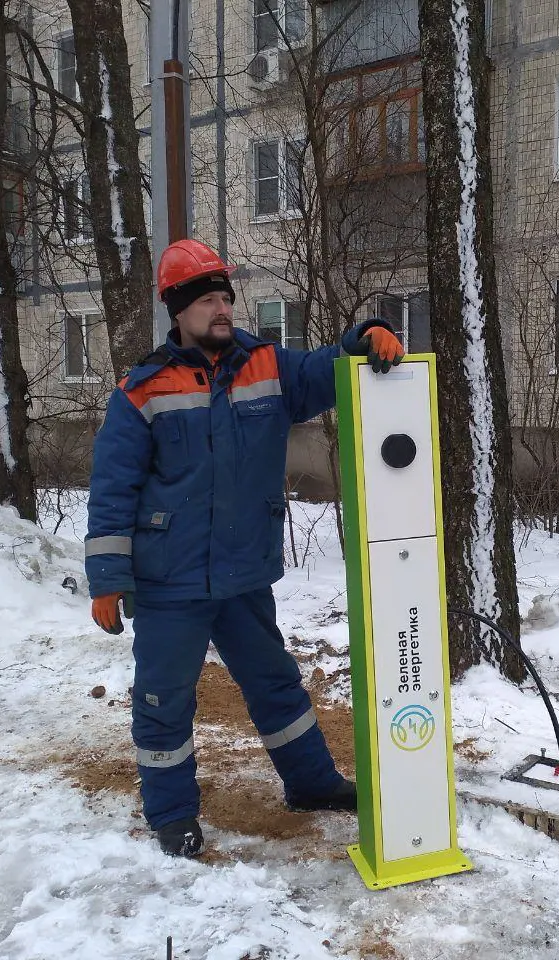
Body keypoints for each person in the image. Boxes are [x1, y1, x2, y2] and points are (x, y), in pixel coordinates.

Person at [83, 238, 406, 858]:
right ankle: (172, 813)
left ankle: (311, 783)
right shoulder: (143, 390)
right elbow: (113, 486)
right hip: (170, 579)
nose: (222, 309)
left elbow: (323, 370)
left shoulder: (266, 367)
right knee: (163, 699)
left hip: (242, 574)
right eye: (207, 300)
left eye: (225, 298)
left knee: (275, 683)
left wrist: (364, 336)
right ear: (179, 310)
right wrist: (107, 578)